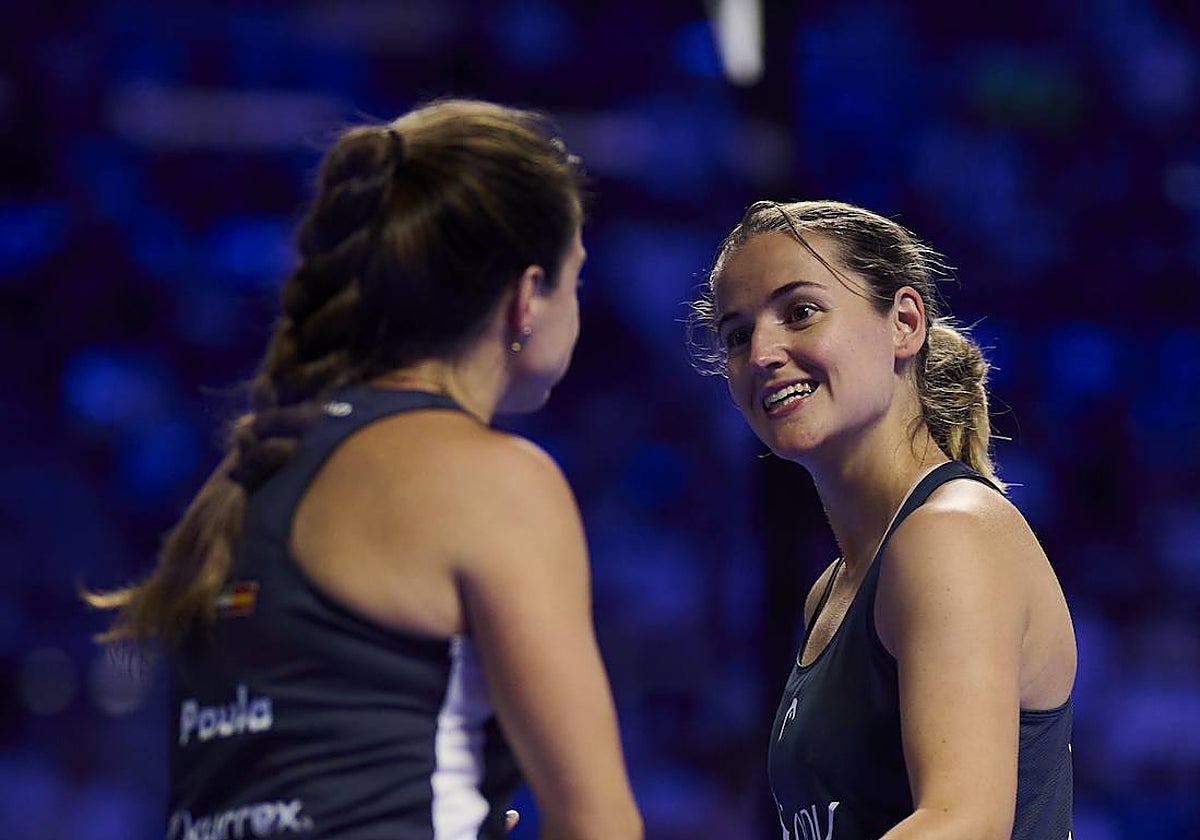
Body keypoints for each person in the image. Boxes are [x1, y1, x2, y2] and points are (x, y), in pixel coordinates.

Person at [85, 98, 643, 840]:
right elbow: (597, 821)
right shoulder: (493, 480)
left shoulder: (239, 484)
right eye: (576, 277)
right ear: (525, 299)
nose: (579, 303)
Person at [689, 200, 1075, 840]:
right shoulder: (833, 590)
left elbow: (962, 823)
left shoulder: (951, 532)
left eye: (800, 312)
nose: (761, 352)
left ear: (903, 322)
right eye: (737, 334)